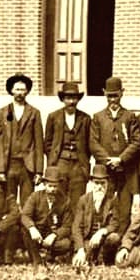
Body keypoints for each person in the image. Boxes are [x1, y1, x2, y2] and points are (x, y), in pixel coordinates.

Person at [89, 76, 140, 231]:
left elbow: (136, 141)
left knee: (125, 208)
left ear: (122, 93)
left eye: (115, 95)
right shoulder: (98, 117)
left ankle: (121, 242)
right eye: (109, 96)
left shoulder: (129, 116)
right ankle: (106, 239)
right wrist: (107, 159)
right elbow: (93, 142)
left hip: (125, 171)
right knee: (106, 204)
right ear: (104, 93)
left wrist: (121, 159)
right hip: (106, 171)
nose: (112, 99)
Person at [0, 72, 44, 206]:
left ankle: (26, 227)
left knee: (28, 203)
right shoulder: (2, 112)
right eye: (17, 89)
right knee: (9, 202)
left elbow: (39, 143)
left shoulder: (34, 112)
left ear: (27, 91)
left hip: (28, 166)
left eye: (23, 89)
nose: (20, 93)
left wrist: (38, 171)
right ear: (11, 91)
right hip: (8, 164)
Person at [44, 81, 91, 210]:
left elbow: (89, 144)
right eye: (68, 98)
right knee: (59, 198)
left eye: (74, 98)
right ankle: (60, 227)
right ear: (63, 99)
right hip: (60, 163)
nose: (71, 101)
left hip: (78, 165)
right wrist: (55, 159)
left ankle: (75, 228)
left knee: (77, 199)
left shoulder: (85, 118)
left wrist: (83, 162)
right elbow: (47, 142)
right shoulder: (53, 117)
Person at [20, 164, 73, 265]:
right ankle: (37, 260)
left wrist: (54, 235)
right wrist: (32, 228)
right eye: (50, 186)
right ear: (44, 184)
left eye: (55, 186)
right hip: (37, 234)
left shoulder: (65, 201)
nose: (52, 189)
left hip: (52, 234)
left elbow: (67, 225)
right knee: (25, 231)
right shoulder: (35, 196)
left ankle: (50, 256)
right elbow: (25, 215)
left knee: (66, 244)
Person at [70, 163, 122, 266]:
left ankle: (105, 258)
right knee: (80, 261)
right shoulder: (83, 200)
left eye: (102, 183)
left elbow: (115, 223)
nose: (99, 187)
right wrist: (80, 249)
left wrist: (102, 231)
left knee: (114, 238)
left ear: (107, 183)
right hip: (88, 239)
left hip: (104, 239)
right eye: (96, 183)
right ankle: (92, 256)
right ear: (91, 184)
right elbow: (76, 227)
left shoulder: (112, 200)